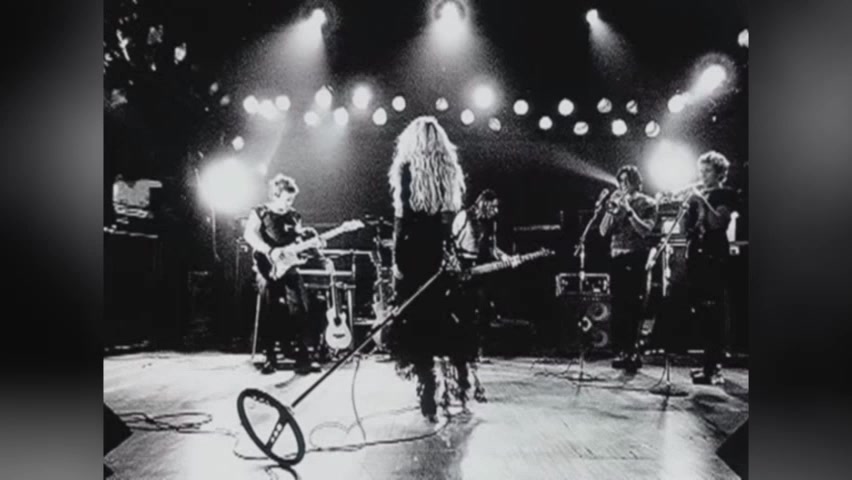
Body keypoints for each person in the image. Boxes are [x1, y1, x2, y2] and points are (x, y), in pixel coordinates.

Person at [386, 116, 468, 421]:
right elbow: (449, 220)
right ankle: (461, 379)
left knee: (414, 320)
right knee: (445, 315)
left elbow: (401, 219)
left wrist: (397, 260)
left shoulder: (405, 168)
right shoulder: (448, 170)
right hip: (437, 251)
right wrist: (447, 250)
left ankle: (427, 386)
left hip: (412, 251)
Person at [243, 174, 326, 375]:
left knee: (301, 307)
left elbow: (297, 242)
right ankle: (269, 357)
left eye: (292, 199)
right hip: (267, 265)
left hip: (288, 266)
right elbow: (249, 235)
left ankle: (302, 357)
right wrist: (269, 250)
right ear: (276, 195)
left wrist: (313, 246)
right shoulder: (261, 212)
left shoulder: (294, 216)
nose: (290, 203)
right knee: (270, 306)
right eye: (287, 199)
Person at [450, 189, 519, 401]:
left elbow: (493, 249)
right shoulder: (464, 216)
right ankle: (459, 368)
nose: (496, 211)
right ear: (484, 203)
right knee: (460, 319)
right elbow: (449, 243)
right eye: (493, 206)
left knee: (480, 315)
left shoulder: (490, 224)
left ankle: (473, 356)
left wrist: (507, 258)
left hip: (479, 273)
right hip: (461, 270)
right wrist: (455, 265)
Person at [681, 151, 739, 385]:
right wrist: (686, 207)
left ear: (719, 173)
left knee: (714, 310)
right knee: (701, 311)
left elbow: (718, 223)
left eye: (707, 171)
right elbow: (687, 229)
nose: (702, 175)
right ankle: (707, 363)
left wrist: (701, 201)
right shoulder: (700, 195)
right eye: (701, 171)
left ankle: (714, 366)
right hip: (696, 254)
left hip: (714, 255)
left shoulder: (726, 194)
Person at [599, 166, 658, 373]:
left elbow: (645, 230)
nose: (622, 185)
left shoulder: (648, 203)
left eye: (626, 181)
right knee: (618, 305)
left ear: (635, 181)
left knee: (634, 305)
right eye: (620, 181)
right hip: (617, 256)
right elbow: (603, 231)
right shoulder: (615, 201)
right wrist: (609, 211)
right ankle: (621, 351)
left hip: (635, 255)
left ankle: (633, 351)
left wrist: (629, 210)